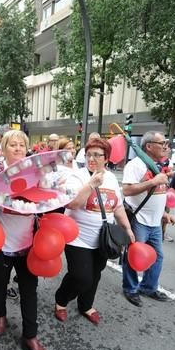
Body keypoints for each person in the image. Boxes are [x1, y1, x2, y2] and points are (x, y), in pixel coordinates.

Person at [0, 130, 49, 350]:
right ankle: (0, 316)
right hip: (1, 244)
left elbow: (51, 199)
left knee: (29, 292)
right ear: (4, 148)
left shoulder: (36, 171)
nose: (17, 148)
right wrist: (2, 182)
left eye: (21, 145)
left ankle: (31, 335)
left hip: (29, 246)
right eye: (12, 145)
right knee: (0, 284)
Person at [54, 138, 134, 325]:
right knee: (81, 276)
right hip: (77, 238)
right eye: (89, 154)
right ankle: (61, 300)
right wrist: (91, 184)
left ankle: (86, 305)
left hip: (103, 239)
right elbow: (73, 204)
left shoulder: (112, 178)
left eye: (97, 155)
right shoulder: (77, 176)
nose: (92, 158)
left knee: (96, 274)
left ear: (106, 158)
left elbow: (118, 207)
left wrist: (128, 229)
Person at [122, 131, 174, 307]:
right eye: (162, 143)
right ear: (149, 146)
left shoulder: (161, 165)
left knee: (157, 257)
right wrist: (152, 181)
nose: (166, 146)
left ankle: (149, 287)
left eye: (166, 142)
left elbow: (160, 193)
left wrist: (163, 213)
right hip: (139, 220)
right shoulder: (136, 164)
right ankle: (130, 289)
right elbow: (127, 191)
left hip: (155, 222)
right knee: (133, 256)